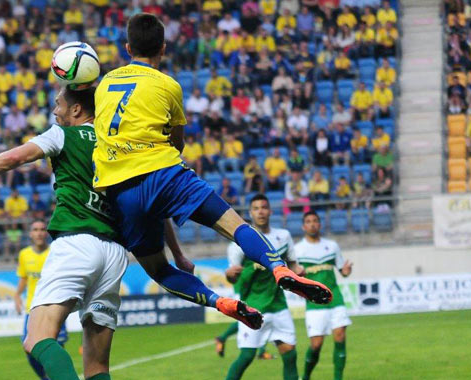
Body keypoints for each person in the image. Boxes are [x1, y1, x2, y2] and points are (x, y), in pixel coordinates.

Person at [92, 14, 332, 330]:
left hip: (121, 189)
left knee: (159, 270)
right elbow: (176, 145)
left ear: (126, 48)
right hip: (165, 173)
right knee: (236, 226)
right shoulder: (168, 85)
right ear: (163, 49)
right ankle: (278, 267)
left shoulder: (104, 84)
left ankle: (219, 302)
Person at [0, 88, 155, 380]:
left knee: (36, 337)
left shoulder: (62, 135)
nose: (54, 111)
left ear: (76, 110)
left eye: (58, 104)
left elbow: (15, 158)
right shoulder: (117, 144)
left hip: (77, 241)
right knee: (97, 367)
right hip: (115, 252)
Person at [224, 194, 303, 380]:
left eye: (264, 207)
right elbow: (233, 278)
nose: (261, 211)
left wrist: (298, 271)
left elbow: (292, 264)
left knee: (289, 354)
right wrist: (229, 275)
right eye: (256, 208)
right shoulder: (238, 243)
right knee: (246, 357)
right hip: (252, 306)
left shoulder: (283, 237)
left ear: (270, 211)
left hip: (278, 305)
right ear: (251, 213)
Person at [294, 211, 353, 380]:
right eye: (308, 221)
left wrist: (347, 271)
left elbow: (343, 270)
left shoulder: (332, 246)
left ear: (319, 224)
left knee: (340, 336)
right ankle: (305, 376)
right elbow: (294, 275)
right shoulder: (298, 250)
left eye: (315, 221)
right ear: (303, 226)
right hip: (314, 303)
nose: (312, 224)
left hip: (335, 299)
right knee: (316, 344)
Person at [14, 220, 68, 380]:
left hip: (54, 306)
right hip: (32, 308)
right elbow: (24, 278)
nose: (39, 232)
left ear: (47, 233)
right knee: (28, 347)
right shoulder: (24, 254)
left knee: (56, 347)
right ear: (30, 234)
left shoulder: (56, 252)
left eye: (42, 229)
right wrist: (17, 295)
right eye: (35, 229)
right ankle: (46, 378)